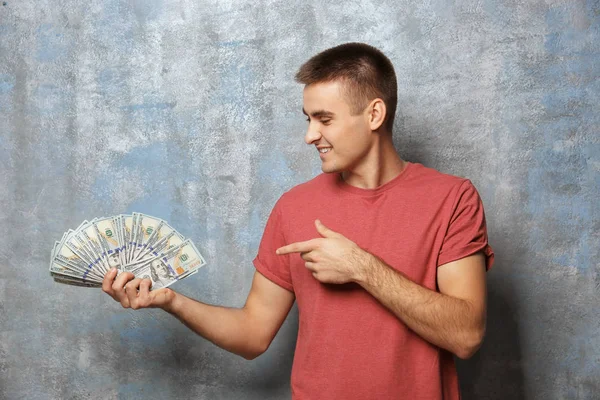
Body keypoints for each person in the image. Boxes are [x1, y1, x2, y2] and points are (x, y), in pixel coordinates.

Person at [102, 42, 494, 399]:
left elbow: (465, 335)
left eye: (324, 119)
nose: (310, 135)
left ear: (374, 114)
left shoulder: (451, 198)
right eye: (307, 118)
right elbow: (253, 333)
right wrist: (170, 300)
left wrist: (361, 267)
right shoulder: (294, 206)